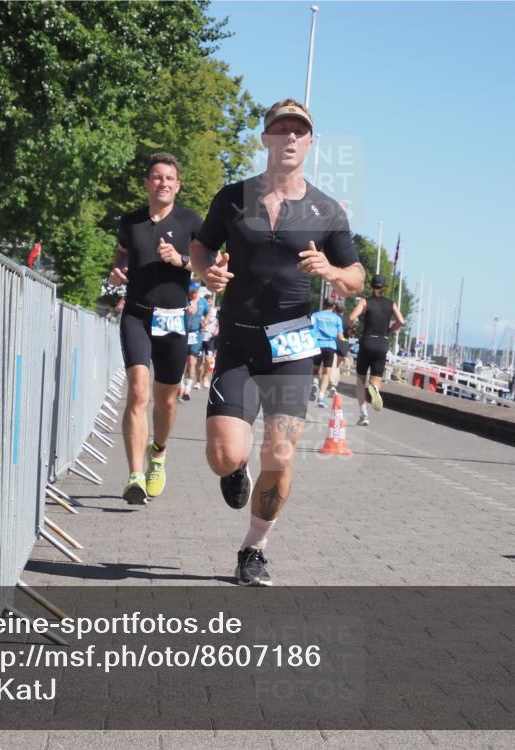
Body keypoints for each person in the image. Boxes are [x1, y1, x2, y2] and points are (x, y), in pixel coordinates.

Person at [190, 99, 365, 586]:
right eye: (280, 129)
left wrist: (329, 271)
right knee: (223, 455)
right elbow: (201, 246)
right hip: (238, 344)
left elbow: (355, 276)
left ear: (311, 144)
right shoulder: (233, 197)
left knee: (281, 454)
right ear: (265, 138)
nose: (289, 138)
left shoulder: (325, 210)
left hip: (291, 347)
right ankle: (234, 470)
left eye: (299, 131)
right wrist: (208, 272)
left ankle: (254, 549)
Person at [108, 152, 202, 505]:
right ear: (147, 183)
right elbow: (119, 255)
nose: (163, 183)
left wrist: (181, 261)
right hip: (137, 314)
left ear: (178, 186)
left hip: (174, 319)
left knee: (166, 400)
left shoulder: (192, 221)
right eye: (156, 177)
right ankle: (134, 475)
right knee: (138, 392)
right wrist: (116, 271)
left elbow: (211, 265)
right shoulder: (130, 222)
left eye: (169, 178)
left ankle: (158, 454)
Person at [348, 274, 404, 426]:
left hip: (367, 341)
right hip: (383, 343)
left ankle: (363, 414)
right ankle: (375, 389)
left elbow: (352, 317)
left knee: (360, 380)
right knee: (376, 377)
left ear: (371, 287)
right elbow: (401, 321)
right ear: (384, 288)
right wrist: (390, 331)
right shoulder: (391, 304)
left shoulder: (365, 302)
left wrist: (352, 330)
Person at [309, 299, 344, 407]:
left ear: (323, 305)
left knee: (315, 369)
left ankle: (314, 384)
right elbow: (340, 336)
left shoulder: (315, 315)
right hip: (329, 346)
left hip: (317, 344)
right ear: (333, 306)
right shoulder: (337, 318)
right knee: (326, 373)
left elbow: (310, 330)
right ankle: (321, 397)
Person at [179, 281, 209, 401]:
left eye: (194, 292)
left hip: (196, 335)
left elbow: (208, 313)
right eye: (191, 292)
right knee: (181, 361)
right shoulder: (184, 300)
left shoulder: (203, 302)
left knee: (191, 361)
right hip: (183, 333)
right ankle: (180, 385)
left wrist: (205, 320)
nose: (193, 294)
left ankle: (187, 389)